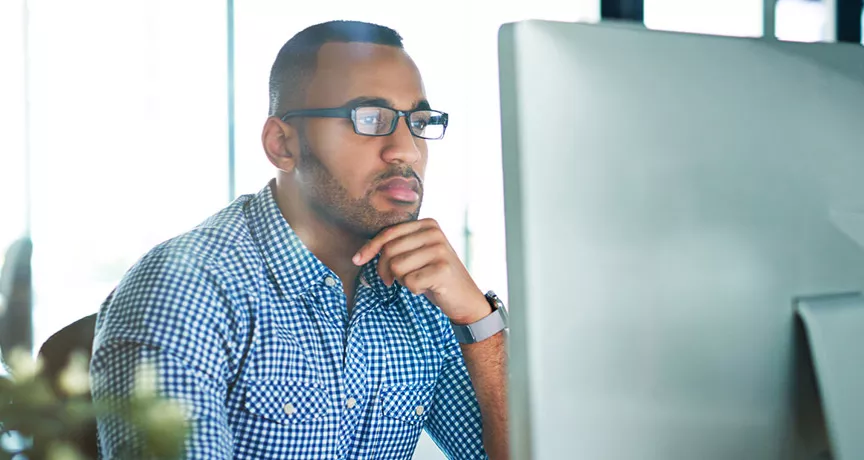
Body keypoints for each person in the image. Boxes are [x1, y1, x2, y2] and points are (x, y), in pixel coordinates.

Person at [90, 20, 509, 460]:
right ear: (281, 144)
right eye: (370, 119)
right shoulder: (185, 289)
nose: (405, 150)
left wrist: (478, 321)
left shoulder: (424, 295)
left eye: (419, 121)